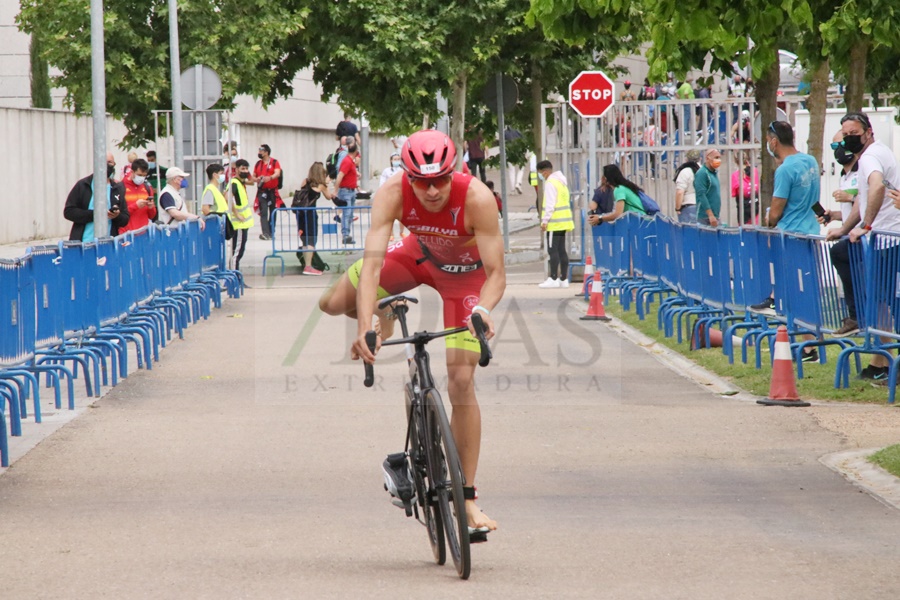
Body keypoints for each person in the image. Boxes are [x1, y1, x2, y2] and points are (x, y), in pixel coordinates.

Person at [318, 130, 505, 534]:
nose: (433, 190)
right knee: (331, 304)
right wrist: (365, 325)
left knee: (459, 382)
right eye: (423, 181)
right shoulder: (391, 192)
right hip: (416, 258)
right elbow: (371, 266)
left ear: (453, 172)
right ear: (408, 176)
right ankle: (385, 314)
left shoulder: (477, 198)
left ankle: (467, 499)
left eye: (441, 179)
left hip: (465, 280)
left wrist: (485, 308)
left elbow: (496, 273)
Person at [826, 112, 900, 379]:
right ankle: (881, 363)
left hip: (886, 240)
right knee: (880, 304)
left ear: (868, 132)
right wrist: (847, 228)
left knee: (886, 304)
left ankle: (887, 363)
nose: (849, 140)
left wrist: (866, 226)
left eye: (853, 134)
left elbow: (876, 187)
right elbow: (865, 197)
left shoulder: (869, 157)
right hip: (883, 240)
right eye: (845, 136)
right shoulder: (876, 153)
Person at [750, 121, 821, 363]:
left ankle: (806, 344)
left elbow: (777, 212)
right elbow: (812, 198)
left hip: (790, 234)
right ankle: (808, 344)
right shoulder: (810, 161)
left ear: (773, 141)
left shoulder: (784, 170)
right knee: (804, 289)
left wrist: (769, 219)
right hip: (809, 231)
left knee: (793, 288)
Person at [64, 152, 130, 241]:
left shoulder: (117, 188)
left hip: (108, 243)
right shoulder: (83, 185)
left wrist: (116, 215)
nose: (107, 165)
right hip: (83, 243)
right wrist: (96, 214)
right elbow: (68, 212)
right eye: (103, 162)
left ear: (114, 164)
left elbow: (125, 219)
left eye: (110, 162)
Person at [536, 160, 574, 289]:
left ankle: (553, 278)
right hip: (564, 221)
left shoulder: (550, 183)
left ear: (545, 172)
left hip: (554, 222)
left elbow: (550, 205)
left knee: (553, 250)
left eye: (540, 173)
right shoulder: (561, 182)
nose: (540, 176)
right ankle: (564, 279)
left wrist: (544, 221)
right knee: (561, 250)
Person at [294, 161, 335, 275]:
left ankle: (306, 264)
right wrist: (327, 182)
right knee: (311, 240)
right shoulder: (321, 185)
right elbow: (328, 197)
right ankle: (308, 266)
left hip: (301, 214)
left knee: (305, 239)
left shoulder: (305, 181)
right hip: (310, 214)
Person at [229, 159, 255, 271]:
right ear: (236, 169)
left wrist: (247, 174)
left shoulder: (240, 182)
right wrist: (237, 214)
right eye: (243, 168)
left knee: (239, 252)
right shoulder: (234, 183)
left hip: (243, 224)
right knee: (236, 253)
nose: (245, 171)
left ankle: (235, 278)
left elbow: (252, 181)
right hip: (239, 224)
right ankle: (234, 279)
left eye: (247, 168)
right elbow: (227, 198)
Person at [253, 144, 282, 241]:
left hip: (272, 191)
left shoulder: (274, 162)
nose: (259, 152)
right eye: (259, 150)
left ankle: (271, 232)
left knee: (273, 211)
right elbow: (253, 176)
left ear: (266, 152)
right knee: (264, 212)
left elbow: (277, 173)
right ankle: (265, 233)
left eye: (261, 150)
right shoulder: (258, 164)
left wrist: (269, 178)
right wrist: (257, 179)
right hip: (262, 191)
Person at [119, 158, 157, 233]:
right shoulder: (120, 187)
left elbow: (152, 215)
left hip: (144, 234)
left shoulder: (147, 188)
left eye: (144, 175)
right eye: (139, 175)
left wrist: (151, 207)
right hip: (126, 234)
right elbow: (119, 215)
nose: (141, 178)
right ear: (132, 172)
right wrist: (135, 206)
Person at [334, 141, 360, 245]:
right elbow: (340, 176)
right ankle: (345, 235)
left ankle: (347, 235)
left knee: (349, 215)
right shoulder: (347, 161)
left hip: (351, 191)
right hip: (345, 191)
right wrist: (335, 191)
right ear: (356, 152)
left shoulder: (350, 161)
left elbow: (349, 176)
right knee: (347, 213)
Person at [694, 149, 722, 227]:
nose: (718, 160)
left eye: (719, 157)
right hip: (705, 218)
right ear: (707, 158)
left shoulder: (714, 173)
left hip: (715, 216)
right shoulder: (702, 173)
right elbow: (701, 195)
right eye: (716, 157)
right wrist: (710, 215)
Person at [674, 149, 701, 223]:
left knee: (689, 233)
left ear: (686, 159)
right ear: (700, 158)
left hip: (689, 206)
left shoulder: (685, 172)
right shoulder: (704, 170)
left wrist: (678, 208)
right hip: (704, 206)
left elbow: (680, 192)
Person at [731, 158, 760, 225]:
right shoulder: (755, 171)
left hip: (743, 211)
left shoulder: (735, 175)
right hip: (755, 207)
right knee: (754, 231)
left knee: (744, 232)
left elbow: (734, 194)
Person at [504, 127, 525, 194]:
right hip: (519, 153)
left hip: (509, 154)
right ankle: (518, 183)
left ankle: (512, 189)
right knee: (521, 169)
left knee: (511, 171)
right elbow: (524, 142)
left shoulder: (505, 132)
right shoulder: (519, 131)